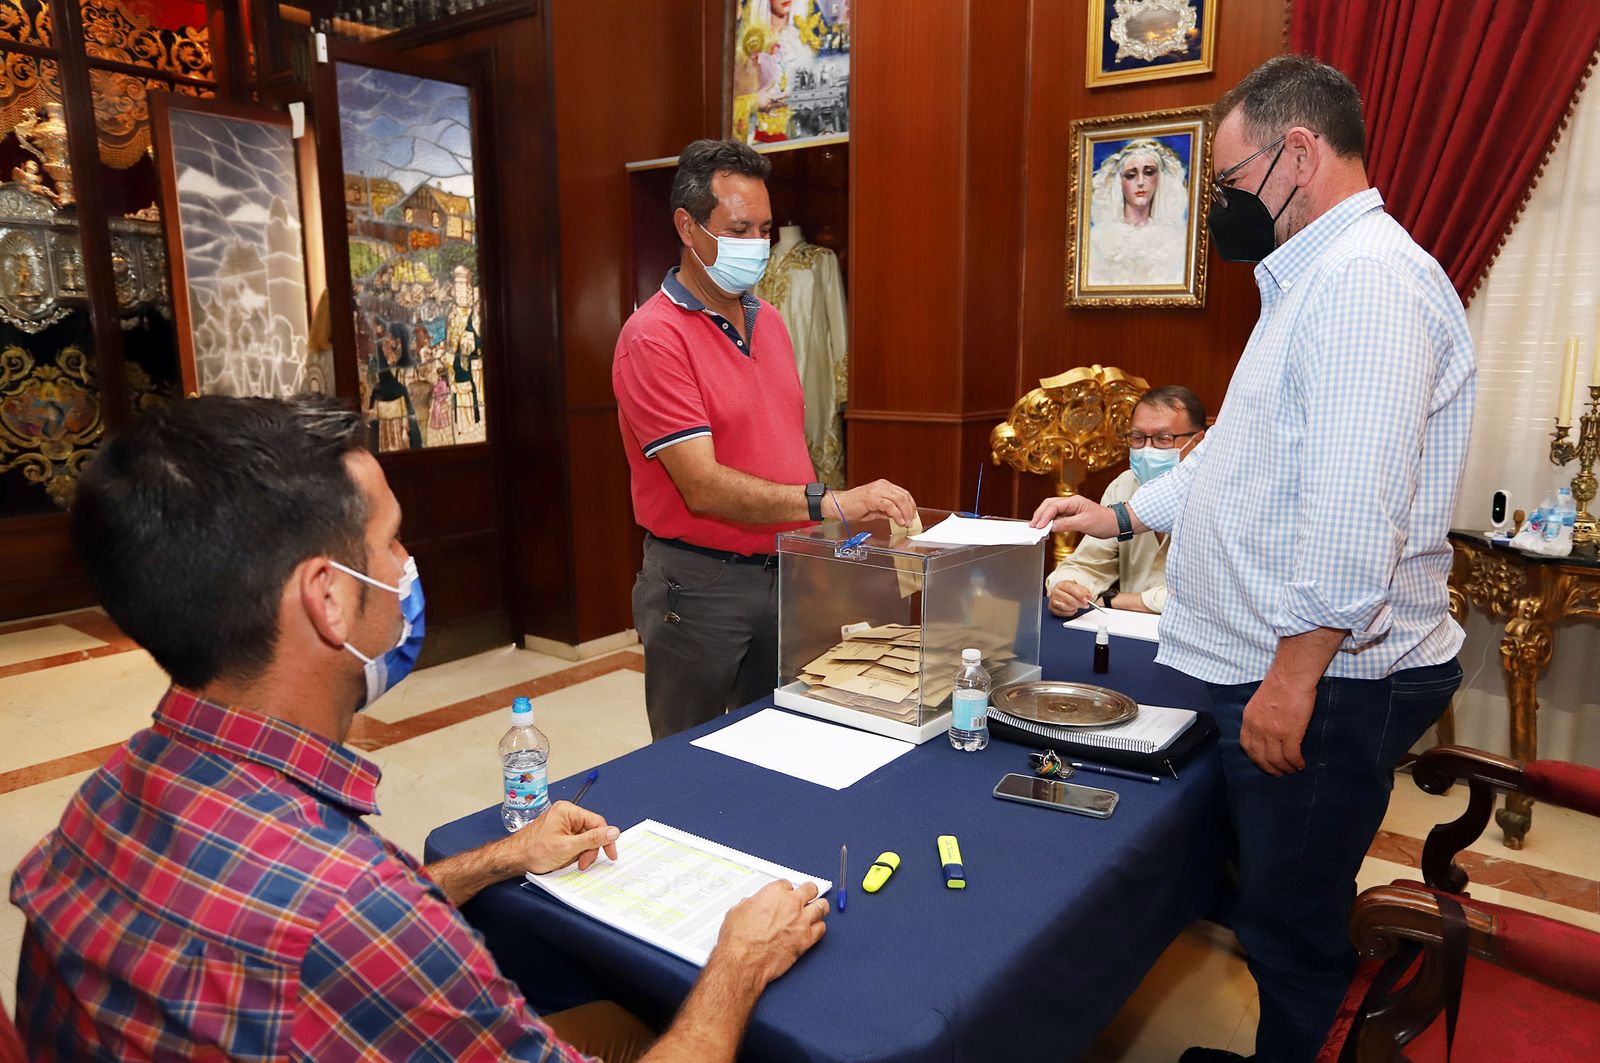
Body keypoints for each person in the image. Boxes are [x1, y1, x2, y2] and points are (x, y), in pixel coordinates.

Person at [11, 395, 829, 1063]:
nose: (406, 564)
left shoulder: (101, 802)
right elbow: (346, 931)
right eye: (391, 539)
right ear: (327, 597)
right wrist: (738, 962)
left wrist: (503, 856)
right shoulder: (352, 911)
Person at [1032, 55, 1475, 1062]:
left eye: (1229, 184)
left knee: (1288, 919)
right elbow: (1235, 466)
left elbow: (1357, 514)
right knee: (1280, 886)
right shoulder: (1309, 283)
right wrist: (1115, 518)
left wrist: (1294, 673)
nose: (1221, 207)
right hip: (1304, 661)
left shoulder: (1362, 284)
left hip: (1333, 672)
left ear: (1300, 154)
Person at [613, 139, 916, 740]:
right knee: (689, 759)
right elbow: (700, 486)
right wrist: (830, 502)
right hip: (700, 587)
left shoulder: (770, 321)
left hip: (787, 572)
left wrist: (824, 546)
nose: (757, 245)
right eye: (739, 228)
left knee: (781, 742)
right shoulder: (653, 338)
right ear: (688, 227)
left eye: (765, 229)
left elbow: (781, 446)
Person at [1044, 385, 1206, 617]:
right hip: (1129, 632)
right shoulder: (1125, 485)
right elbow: (1089, 563)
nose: (1147, 450)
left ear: (1198, 442)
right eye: (1138, 438)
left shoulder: (1218, 496)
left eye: (1163, 439)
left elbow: (1207, 598)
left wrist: (1116, 600)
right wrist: (1067, 587)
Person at [1086, 137, 1189, 287]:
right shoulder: (1098, 240)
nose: (1141, 182)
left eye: (1148, 173)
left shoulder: (1176, 239)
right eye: (1131, 175)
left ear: (1159, 179)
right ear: (1119, 182)